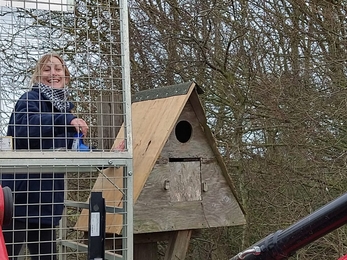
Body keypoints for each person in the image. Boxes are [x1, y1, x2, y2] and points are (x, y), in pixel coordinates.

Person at [1, 53, 88, 259]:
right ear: (38, 76)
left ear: (65, 76)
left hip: (47, 202)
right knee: (7, 254)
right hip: (19, 201)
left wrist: (110, 154)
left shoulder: (65, 109)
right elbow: (22, 132)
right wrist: (65, 120)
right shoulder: (29, 100)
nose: (53, 73)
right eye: (47, 69)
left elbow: (75, 148)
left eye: (58, 69)